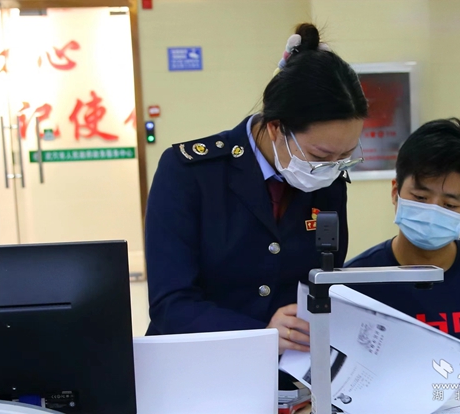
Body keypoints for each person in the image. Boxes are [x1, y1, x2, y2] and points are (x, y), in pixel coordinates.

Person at [145, 23, 368, 354]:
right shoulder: (191, 173)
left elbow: (323, 281)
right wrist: (260, 335)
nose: (331, 168)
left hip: (290, 370)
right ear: (276, 127)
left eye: (345, 156)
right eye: (320, 156)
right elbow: (170, 304)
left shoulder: (329, 182)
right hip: (196, 363)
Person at [346, 118, 460, 367]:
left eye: (449, 205)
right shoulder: (354, 281)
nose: (432, 211)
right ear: (395, 192)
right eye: (420, 197)